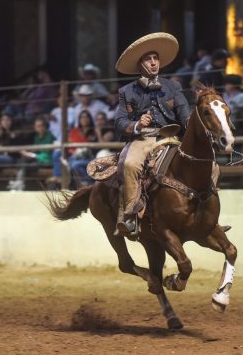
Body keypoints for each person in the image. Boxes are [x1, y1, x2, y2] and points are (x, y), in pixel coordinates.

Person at [114, 32, 190, 236]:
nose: (154, 62)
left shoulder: (173, 86)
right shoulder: (126, 91)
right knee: (129, 164)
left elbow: (184, 112)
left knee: (207, 160)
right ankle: (130, 217)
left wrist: (191, 128)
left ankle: (208, 212)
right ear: (140, 64)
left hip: (171, 137)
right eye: (148, 59)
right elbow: (119, 122)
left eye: (155, 58)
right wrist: (137, 124)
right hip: (144, 138)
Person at [10, 117, 55, 191]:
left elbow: (46, 155)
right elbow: (36, 149)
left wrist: (31, 155)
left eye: (39, 126)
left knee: (23, 164)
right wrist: (28, 152)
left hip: (46, 162)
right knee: (22, 160)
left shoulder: (50, 137)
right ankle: (18, 183)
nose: (37, 128)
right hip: (38, 160)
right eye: (36, 126)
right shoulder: (36, 136)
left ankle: (18, 184)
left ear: (44, 127)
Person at [68, 110, 97, 188]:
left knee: (74, 165)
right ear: (79, 119)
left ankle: (88, 185)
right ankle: (88, 185)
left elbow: (94, 149)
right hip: (74, 157)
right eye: (82, 117)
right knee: (74, 165)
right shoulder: (74, 131)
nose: (84, 119)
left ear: (90, 119)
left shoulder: (94, 131)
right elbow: (69, 146)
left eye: (86, 117)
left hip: (89, 157)